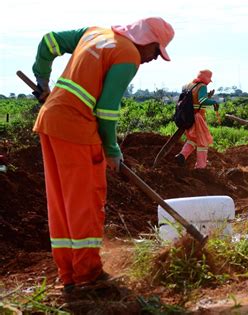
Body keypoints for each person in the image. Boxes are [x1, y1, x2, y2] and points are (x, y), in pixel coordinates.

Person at [31, 17, 174, 293]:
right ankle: (88, 274)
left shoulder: (94, 33)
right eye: (156, 51)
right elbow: (107, 110)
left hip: (50, 122)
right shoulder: (128, 54)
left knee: (62, 202)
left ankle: (70, 274)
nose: (154, 58)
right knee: (85, 200)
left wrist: (42, 78)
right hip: (76, 129)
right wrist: (111, 149)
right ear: (146, 40)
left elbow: (49, 41)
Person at [175, 70, 219, 169]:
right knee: (203, 142)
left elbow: (194, 99)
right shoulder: (202, 86)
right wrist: (213, 102)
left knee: (193, 139)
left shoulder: (190, 85)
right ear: (206, 78)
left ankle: (182, 155)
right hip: (197, 117)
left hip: (187, 116)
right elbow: (202, 100)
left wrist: (207, 97)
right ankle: (201, 166)